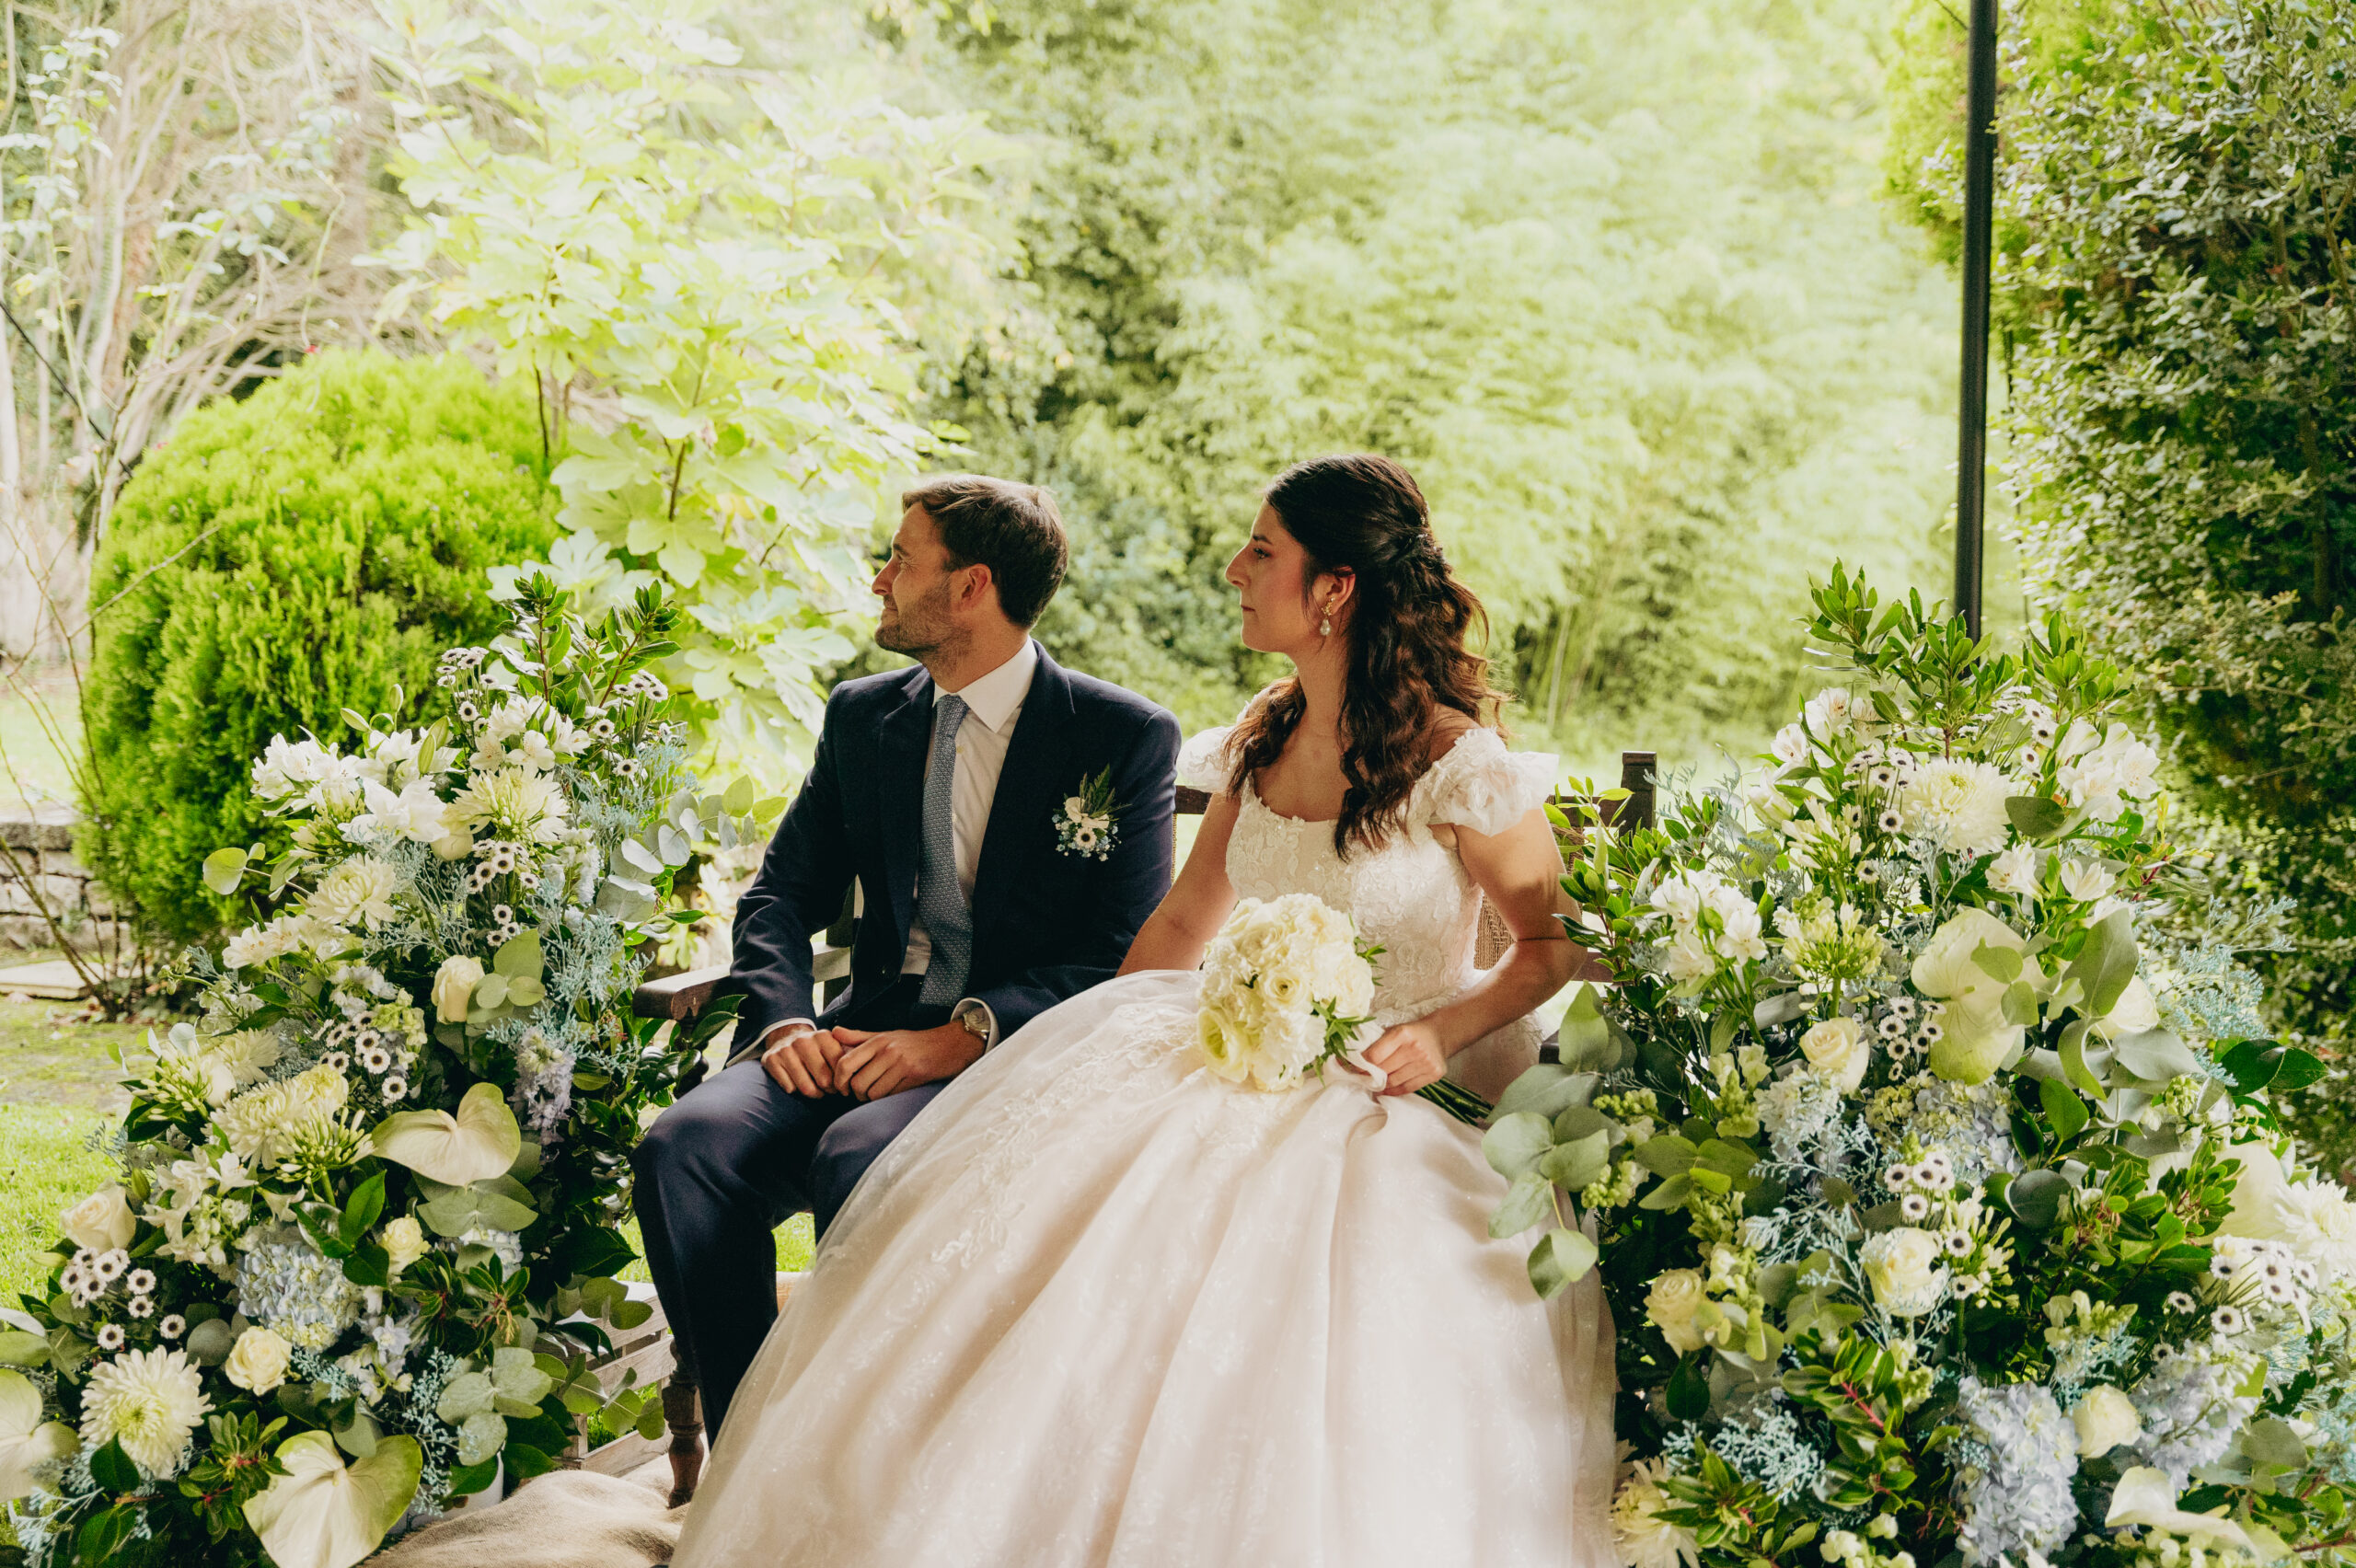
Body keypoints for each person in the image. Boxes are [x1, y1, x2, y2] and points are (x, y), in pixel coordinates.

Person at [672, 454, 1617, 1567]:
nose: (1235, 570)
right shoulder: (1265, 735)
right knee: (1058, 1207)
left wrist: (1438, 1033)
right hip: (1241, 1055)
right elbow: (1180, 923)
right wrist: (1085, 1069)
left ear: (1335, 588)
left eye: (1262, 551)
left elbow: (1555, 945)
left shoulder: (1459, 763)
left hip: (1397, 1090)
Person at [632, 475, 1183, 1437]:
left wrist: (961, 1038)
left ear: (970, 587)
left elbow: (1118, 955)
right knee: (683, 1148)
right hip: (858, 1033)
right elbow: (779, 894)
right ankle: (751, 1446)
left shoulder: (1119, 737)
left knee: (856, 1156)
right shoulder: (863, 716)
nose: (879, 579)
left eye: (900, 559)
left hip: (1014, 1058)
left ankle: (861, 1452)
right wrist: (786, 1021)